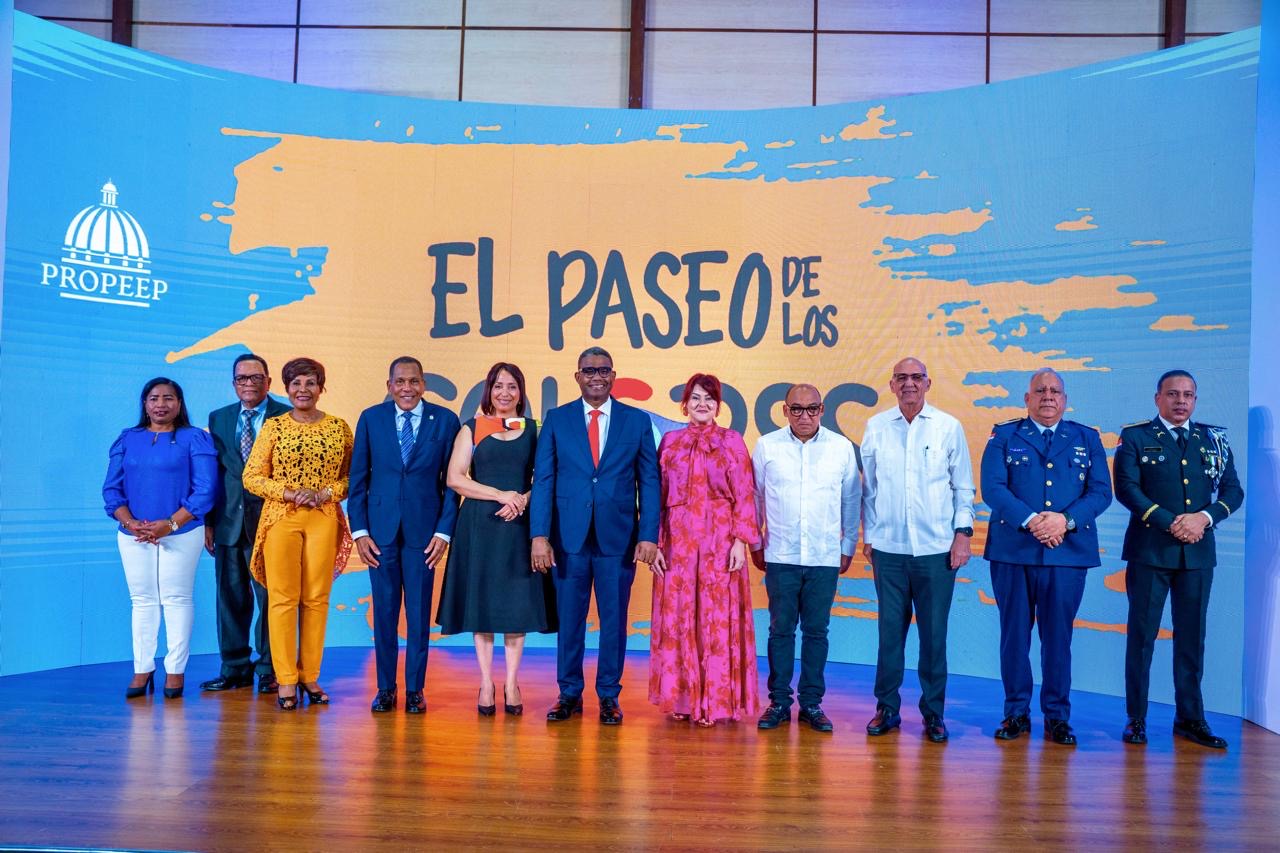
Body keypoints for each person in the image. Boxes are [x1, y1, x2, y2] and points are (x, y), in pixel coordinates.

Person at [980, 369, 1113, 745]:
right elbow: (992, 488)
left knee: (1058, 639)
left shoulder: (1086, 438)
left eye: (1055, 391)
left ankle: (1057, 716)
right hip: (1014, 551)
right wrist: (1032, 521)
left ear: (1065, 400)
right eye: (1040, 390)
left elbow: (1101, 492)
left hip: (1066, 554)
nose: (1048, 396)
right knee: (1014, 637)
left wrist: (1063, 521)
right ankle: (1016, 713)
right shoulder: (1004, 435)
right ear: (1027, 398)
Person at [531, 346, 660, 726]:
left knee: (614, 621)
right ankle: (569, 693)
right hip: (567, 539)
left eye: (604, 370)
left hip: (617, 539)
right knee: (570, 620)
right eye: (589, 371)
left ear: (613, 375)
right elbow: (544, 481)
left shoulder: (636, 421)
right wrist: (539, 535)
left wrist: (648, 535)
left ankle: (608, 695)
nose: (597, 377)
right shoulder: (557, 419)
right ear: (578, 376)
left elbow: (649, 482)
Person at [1114, 369, 1243, 749]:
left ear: (1195, 400)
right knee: (1142, 638)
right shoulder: (1136, 437)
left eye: (1188, 395)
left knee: (1191, 639)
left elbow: (1233, 491)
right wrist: (1171, 522)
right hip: (1150, 552)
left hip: (1197, 555)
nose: (1181, 401)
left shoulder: (1213, 439)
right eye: (1173, 394)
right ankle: (1136, 718)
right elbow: (1127, 489)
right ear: (1158, 398)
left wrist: (1204, 518)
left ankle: (1190, 718)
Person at [862, 357, 975, 743]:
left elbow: (963, 487)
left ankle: (933, 713)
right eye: (901, 378)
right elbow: (869, 489)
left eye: (916, 377)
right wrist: (869, 536)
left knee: (934, 635)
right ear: (892, 385)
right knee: (889, 634)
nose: (909, 384)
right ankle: (887, 708)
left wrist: (963, 534)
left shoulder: (948, 427)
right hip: (889, 550)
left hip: (936, 550)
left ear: (928, 383)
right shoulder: (877, 427)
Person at [438, 362, 556, 716]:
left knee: (516, 605)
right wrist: (500, 495)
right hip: (480, 526)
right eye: (498, 386)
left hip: (520, 527)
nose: (505, 393)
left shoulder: (535, 429)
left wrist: (521, 500)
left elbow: (545, 478)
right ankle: (487, 682)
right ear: (488, 391)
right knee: (483, 604)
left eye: (512, 387)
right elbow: (456, 478)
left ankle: (512, 683)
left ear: (521, 393)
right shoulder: (471, 428)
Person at [348, 356, 460, 715]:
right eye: (400, 381)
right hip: (379, 535)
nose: (407, 388)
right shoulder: (371, 418)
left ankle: (415, 689)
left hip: (424, 536)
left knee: (418, 614)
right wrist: (360, 531)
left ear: (423, 384)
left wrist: (443, 532)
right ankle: (385, 689)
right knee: (383, 614)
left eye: (413, 381)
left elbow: (452, 484)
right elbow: (358, 480)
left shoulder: (445, 420)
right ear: (389, 386)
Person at [648, 374, 760, 727]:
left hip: (720, 543)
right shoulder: (669, 443)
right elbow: (656, 497)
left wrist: (741, 541)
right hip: (678, 544)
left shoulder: (732, 441)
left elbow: (745, 493)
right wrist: (655, 543)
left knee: (716, 619)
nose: (702, 404)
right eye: (695, 398)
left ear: (718, 405)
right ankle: (683, 699)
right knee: (680, 616)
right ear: (685, 404)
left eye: (709, 399)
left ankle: (714, 702)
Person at [243, 357, 354, 711]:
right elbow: (252, 476)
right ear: (286, 389)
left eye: (310, 383)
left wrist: (325, 494)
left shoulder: (339, 427)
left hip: (323, 516)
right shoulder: (274, 427)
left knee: (317, 598)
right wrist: (289, 493)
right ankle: (286, 679)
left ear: (321, 388)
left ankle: (310, 675)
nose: (303, 390)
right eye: (296, 383)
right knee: (282, 599)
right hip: (281, 517)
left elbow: (352, 478)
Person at [751, 384, 861, 733]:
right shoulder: (767, 446)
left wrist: (847, 546)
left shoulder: (841, 448)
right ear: (785, 411)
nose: (804, 416)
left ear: (822, 410)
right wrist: (756, 541)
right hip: (780, 554)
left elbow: (851, 499)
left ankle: (812, 704)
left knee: (816, 632)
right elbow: (755, 497)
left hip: (823, 556)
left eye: (811, 408)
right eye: (796, 409)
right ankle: (779, 702)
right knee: (780, 630)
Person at [103, 377, 217, 700]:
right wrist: (130, 523)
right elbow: (112, 489)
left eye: (169, 398)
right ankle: (142, 667)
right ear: (145, 403)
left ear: (179, 404)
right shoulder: (128, 438)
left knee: (176, 598)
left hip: (182, 532)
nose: (161, 404)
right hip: (134, 534)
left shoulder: (194, 438)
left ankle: (175, 670)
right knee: (142, 600)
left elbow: (205, 490)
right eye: (154, 398)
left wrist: (170, 524)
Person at [200, 353, 291, 695]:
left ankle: (269, 668)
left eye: (256, 378)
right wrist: (209, 522)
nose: (249, 384)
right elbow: (215, 474)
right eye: (242, 378)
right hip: (227, 522)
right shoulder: (219, 417)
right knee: (230, 598)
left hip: (271, 523)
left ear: (269, 382)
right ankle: (234, 667)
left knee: (271, 600)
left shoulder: (287, 416)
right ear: (233, 383)